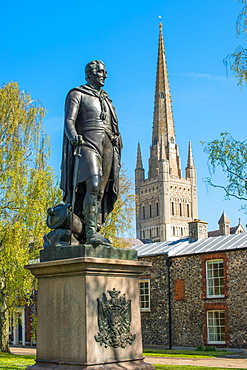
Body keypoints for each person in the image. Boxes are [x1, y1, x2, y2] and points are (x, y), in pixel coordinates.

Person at [60, 60, 122, 245]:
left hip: (108, 145)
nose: (105, 75)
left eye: (105, 72)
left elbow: (113, 126)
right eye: (101, 72)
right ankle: (90, 231)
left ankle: (91, 229)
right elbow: (69, 121)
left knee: (101, 191)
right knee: (93, 185)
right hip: (87, 142)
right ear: (90, 73)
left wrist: (117, 139)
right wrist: (73, 137)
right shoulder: (77, 94)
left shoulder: (107, 99)